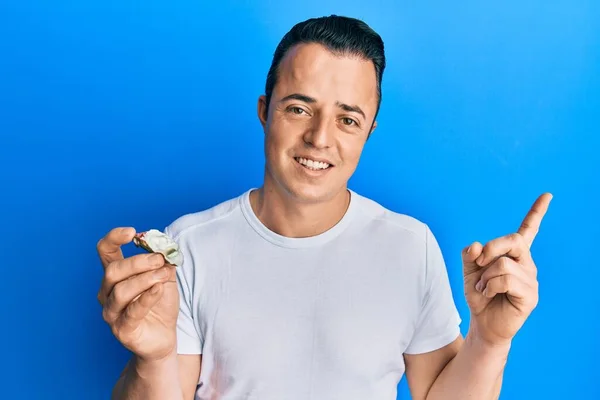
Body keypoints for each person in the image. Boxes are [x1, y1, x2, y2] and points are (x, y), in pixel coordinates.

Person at [96, 15, 552, 400]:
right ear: (264, 110)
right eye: (298, 109)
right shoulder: (190, 244)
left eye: (347, 119)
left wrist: (491, 340)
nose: (319, 138)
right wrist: (152, 359)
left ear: (369, 130)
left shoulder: (410, 247)